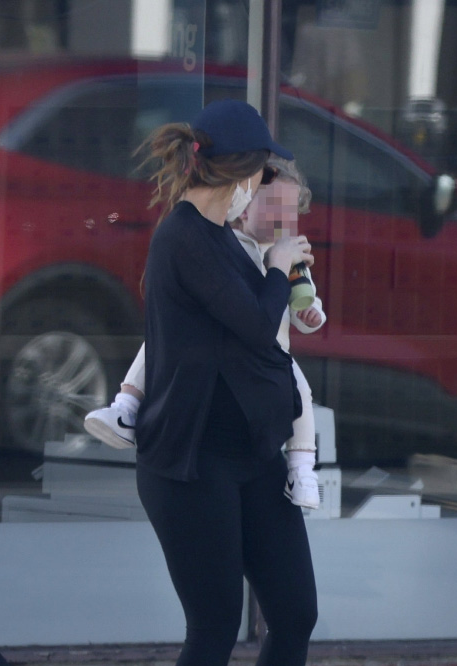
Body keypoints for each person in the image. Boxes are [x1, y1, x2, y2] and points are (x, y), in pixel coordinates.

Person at [131, 100, 328, 666]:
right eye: (260, 171)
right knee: (212, 626)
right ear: (240, 174)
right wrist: (279, 271)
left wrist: (280, 272)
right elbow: (252, 321)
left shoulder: (220, 236)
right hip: (187, 463)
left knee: (296, 612)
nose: (264, 187)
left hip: (251, 457)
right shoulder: (183, 237)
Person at [84, 156, 326, 510]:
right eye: (274, 207)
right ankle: (126, 407)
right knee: (161, 340)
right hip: (222, 353)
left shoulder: (289, 255)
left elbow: (305, 303)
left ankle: (302, 469)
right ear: (243, 206)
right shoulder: (224, 244)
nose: (283, 220)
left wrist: (310, 313)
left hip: (271, 356)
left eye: (291, 211)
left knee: (299, 390)